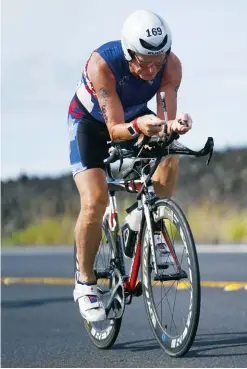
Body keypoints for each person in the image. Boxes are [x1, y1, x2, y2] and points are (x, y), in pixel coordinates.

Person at [67, 9, 193, 322]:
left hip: (136, 119)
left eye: (158, 60)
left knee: (169, 154)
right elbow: (114, 129)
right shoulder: (103, 64)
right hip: (90, 124)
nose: (152, 69)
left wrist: (175, 126)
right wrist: (139, 126)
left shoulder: (171, 66)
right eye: (144, 61)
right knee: (95, 201)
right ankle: (85, 283)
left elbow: (164, 122)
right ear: (128, 53)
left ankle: (141, 220)